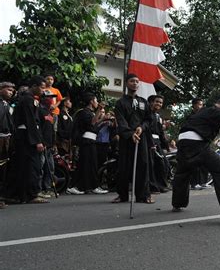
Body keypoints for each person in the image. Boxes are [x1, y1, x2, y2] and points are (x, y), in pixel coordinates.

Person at [172, 97, 220, 225]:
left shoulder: (203, 112)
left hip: (183, 143)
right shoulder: (217, 111)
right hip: (196, 144)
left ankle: (178, 203)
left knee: (183, 172)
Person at [112, 74, 153, 204]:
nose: (135, 83)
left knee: (143, 165)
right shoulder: (120, 103)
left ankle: (143, 196)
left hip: (141, 138)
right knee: (124, 167)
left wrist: (141, 127)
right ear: (127, 83)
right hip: (127, 138)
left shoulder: (143, 102)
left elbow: (148, 119)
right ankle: (122, 195)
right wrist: (130, 134)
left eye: (137, 81)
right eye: (132, 81)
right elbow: (121, 120)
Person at [8, 76, 47, 203]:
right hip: (26, 137)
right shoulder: (27, 100)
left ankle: (28, 193)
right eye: (41, 87)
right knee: (30, 166)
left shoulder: (31, 100)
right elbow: (30, 121)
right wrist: (37, 141)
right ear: (34, 86)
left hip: (28, 136)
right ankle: (29, 194)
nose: (43, 91)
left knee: (30, 166)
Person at [69, 93, 108, 195]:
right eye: (96, 100)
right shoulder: (84, 112)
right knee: (85, 164)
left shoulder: (90, 112)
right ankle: (75, 186)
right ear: (91, 101)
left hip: (91, 140)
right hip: (86, 140)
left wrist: (103, 120)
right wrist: (99, 111)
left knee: (92, 165)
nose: (97, 102)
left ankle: (91, 186)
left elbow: (94, 125)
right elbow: (92, 123)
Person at [147, 94, 170, 193]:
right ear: (151, 102)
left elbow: (160, 132)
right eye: (157, 102)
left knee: (163, 163)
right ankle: (152, 187)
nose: (159, 104)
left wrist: (166, 146)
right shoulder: (147, 115)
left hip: (158, 142)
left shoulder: (158, 116)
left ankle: (161, 186)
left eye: (160, 102)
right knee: (151, 165)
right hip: (149, 141)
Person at [187, 97, 209, 190]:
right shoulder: (190, 117)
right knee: (195, 163)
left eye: (202, 105)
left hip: (202, 141)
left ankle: (203, 182)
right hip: (192, 141)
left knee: (204, 162)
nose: (201, 106)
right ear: (194, 105)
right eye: (199, 104)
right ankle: (194, 183)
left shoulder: (204, 116)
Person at [0, 82, 15, 208]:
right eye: (8, 90)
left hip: (6, 138)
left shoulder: (7, 105)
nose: (11, 92)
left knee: (3, 168)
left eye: (12, 90)